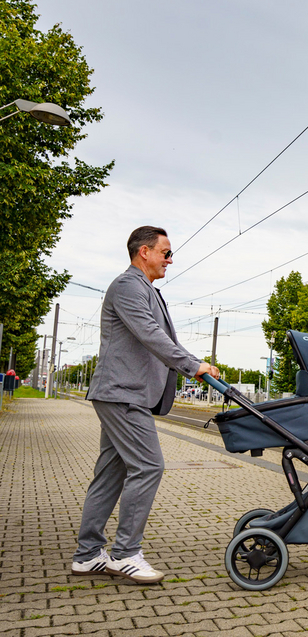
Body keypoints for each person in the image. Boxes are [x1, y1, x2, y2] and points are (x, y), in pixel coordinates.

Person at [71, 227, 220, 584]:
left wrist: (196, 363)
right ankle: (125, 554)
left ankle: (88, 555)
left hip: (126, 393)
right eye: (166, 253)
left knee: (111, 473)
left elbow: (163, 337)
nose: (170, 260)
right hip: (124, 392)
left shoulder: (146, 290)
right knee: (150, 465)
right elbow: (150, 334)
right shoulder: (128, 287)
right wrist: (190, 365)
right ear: (144, 252)